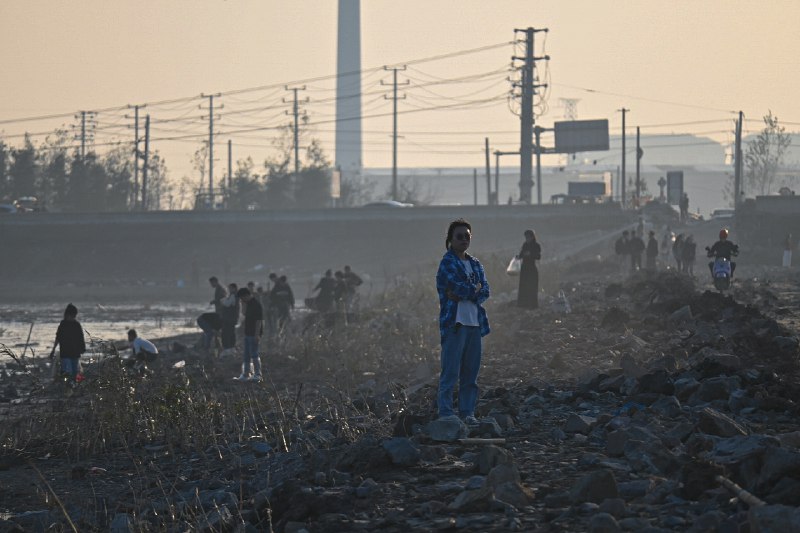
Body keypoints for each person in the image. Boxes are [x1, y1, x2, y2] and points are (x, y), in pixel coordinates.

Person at [436, 219, 491, 424]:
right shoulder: (447, 263)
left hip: (475, 324)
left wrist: (469, 292)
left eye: (467, 236)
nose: (464, 240)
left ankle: (467, 413)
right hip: (455, 324)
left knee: (470, 373)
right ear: (450, 239)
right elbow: (455, 286)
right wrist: (472, 290)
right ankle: (446, 413)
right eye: (459, 236)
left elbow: (485, 290)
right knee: (450, 371)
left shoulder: (475, 264)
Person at [49, 303, 86, 383]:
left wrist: (82, 348)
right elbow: (58, 338)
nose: (73, 318)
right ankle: (67, 387)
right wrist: (53, 350)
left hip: (75, 353)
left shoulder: (76, 325)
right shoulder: (63, 325)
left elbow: (81, 338)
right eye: (72, 316)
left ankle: (72, 387)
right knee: (67, 372)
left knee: (75, 372)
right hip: (65, 353)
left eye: (74, 316)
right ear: (67, 315)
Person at [236, 288, 264, 382]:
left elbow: (259, 321)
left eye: (241, 298)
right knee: (246, 355)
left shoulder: (256, 305)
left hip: (253, 334)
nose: (241, 300)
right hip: (248, 333)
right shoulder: (247, 304)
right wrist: (243, 305)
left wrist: (257, 335)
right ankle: (246, 374)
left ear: (246, 296)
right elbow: (244, 314)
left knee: (254, 354)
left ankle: (258, 374)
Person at [197, 276, 226, 350]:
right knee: (213, 331)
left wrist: (214, 301)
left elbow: (222, 299)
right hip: (219, 312)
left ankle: (211, 347)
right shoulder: (219, 288)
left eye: (211, 283)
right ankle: (215, 346)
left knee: (213, 331)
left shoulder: (220, 289)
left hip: (221, 312)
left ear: (215, 281)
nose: (211, 285)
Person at [517, 229, 541, 308]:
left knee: (532, 287)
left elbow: (538, 256)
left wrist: (530, 254)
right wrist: (519, 257)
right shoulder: (525, 245)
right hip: (524, 269)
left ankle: (532, 305)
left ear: (532, 237)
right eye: (526, 237)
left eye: (528, 237)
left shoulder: (536, 246)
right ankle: (523, 304)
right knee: (524, 287)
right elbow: (521, 254)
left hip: (531, 269)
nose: (527, 238)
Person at [219, 283, 239, 357]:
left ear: (234, 288)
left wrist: (222, 300)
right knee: (231, 333)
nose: (229, 290)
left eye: (230, 288)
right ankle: (231, 348)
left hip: (229, 319)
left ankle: (227, 349)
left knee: (226, 333)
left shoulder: (233, 295)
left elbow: (227, 304)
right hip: (232, 319)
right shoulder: (234, 296)